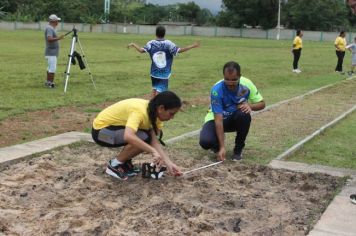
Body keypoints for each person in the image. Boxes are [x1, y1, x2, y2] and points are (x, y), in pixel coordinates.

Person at [91, 91, 183, 180]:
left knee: (146, 137)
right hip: (101, 134)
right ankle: (114, 165)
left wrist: (169, 163)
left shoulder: (155, 112)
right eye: (171, 113)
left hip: (113, 131)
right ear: (161, 108)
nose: (172, 118)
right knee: (144, 138)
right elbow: (128, 136)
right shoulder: (140, 111)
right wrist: (152, 151)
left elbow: (154, 141)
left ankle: (124, 163)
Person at [199, 61, 265, 161]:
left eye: (234, 80)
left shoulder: (246, 84)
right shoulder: (216, 90)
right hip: (217, 119)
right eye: (227, 79)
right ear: (223, 76)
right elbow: (218, 120)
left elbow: (262, 104)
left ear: (240, 76)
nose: (230, 83)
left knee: (244, 114)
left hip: (236, 119)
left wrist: (250, 106)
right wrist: (222, 147)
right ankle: (217, 147)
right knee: (205, 141)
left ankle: (238, 149)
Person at [127, 25, 200, 98]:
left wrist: (133, 44)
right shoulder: (168, 44)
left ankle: (150, 106)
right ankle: (155, 107)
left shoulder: (151, 43)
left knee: (154, 89)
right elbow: (179, 50)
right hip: (164, 74)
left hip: (154, 72)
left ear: (156, 33)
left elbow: (141, 50)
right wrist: (192, 46)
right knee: (160, 94)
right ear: (164, 33)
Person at [44, 14, 64, 88]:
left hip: (51, 52)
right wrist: (58, 38)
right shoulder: (49, 28)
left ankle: (48, 82)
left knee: (49, 68)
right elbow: (49, 39)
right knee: (52, 68)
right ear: (54, 21)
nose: (58, 22)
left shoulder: (50, 28)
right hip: (51, 52)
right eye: (57, 21)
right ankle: (50, 83)